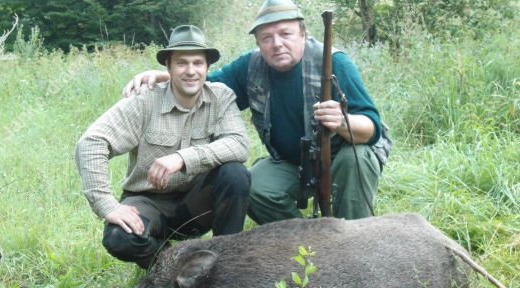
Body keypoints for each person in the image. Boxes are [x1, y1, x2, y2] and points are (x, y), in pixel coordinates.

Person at [122, 0, 391, 224]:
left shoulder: (335, 62)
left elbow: (372, 128)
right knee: (252, 186)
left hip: (343, 154)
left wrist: (343, 123)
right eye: (267, 38)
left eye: (285, 34)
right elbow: (204, 87)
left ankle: (355, 245)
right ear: (258, 42)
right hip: (290, 161)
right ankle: (306, 245)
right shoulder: (249, 67)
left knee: (356, 160)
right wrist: (162, 76)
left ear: (302, 34)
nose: (276, 44)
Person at [76, 25, 250, 269]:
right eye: (181, 63)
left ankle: (225, 267)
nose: (191, 71)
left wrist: (182, 158)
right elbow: (91, 143)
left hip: (196, 202)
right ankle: (176, 267)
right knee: (119, 237)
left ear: (207, 68)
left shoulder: (221, 96)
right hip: (148, 200)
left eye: (198, 63)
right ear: (167, 67)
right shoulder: (144, 100)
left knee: (236, 174)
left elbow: (239, 144)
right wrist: (107, 206)